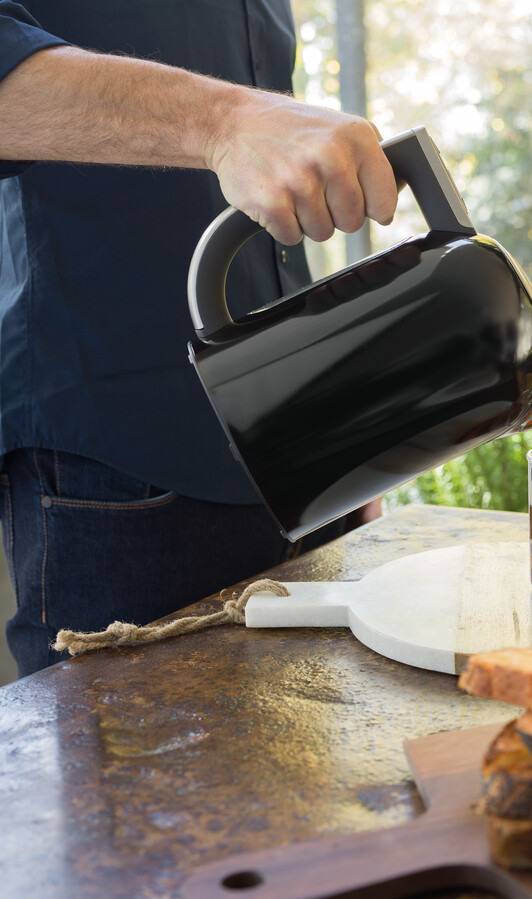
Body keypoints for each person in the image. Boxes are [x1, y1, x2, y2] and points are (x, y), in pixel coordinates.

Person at [0, 1, 400, 677]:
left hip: (297, 454)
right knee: (132, 781)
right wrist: (222, 121)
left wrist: (337, 435)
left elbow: (263, 216)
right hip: (124, 464)